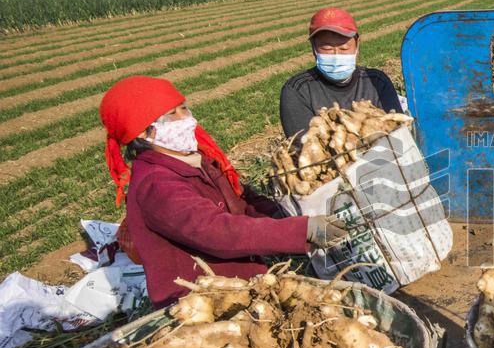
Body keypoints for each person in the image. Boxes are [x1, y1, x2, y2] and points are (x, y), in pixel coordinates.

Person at [100, 76, 346, 309]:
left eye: (183, 108)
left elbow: (241, 201)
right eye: (171, 115)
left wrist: (287, 214)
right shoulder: (156, 185)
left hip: (244, 288)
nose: (185, 118)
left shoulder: (197, 160)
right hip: (203, 303)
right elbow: (218, 232)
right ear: (144, 133)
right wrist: (304, 230)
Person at [279, 6, 404, 139]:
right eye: (327, 48)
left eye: (344, 48)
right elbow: (305, 148)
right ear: (313, 48)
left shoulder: (376, 81)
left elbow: (397, 133)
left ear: (357, 45)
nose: (336, 55)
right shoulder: (297, 90)